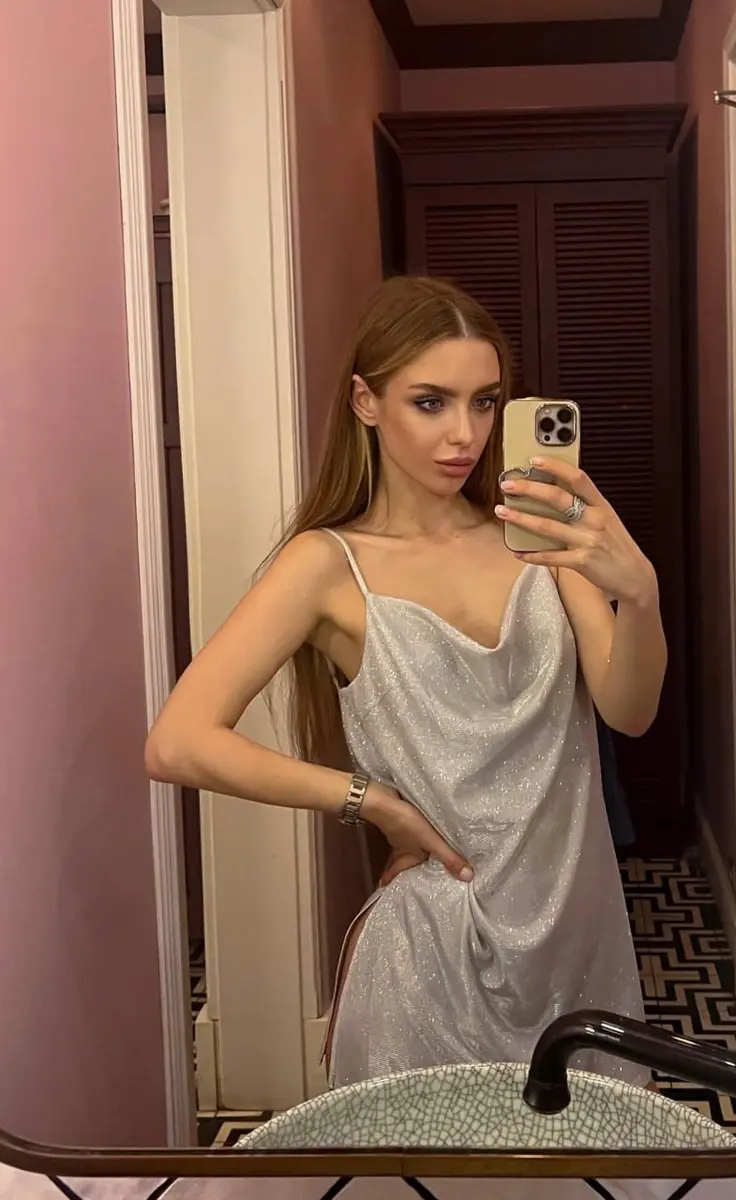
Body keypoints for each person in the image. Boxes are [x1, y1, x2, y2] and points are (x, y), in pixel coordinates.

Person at [146, 275, 668, 1089]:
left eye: (485, 402)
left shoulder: (538, 540)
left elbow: (628, 712)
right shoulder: (326, 565)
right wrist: (373, 802)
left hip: (577, 939)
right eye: (430, 403)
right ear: (366, 401)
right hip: (427, 954)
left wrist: (638, 595)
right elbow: (178, 742)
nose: (464, 434)